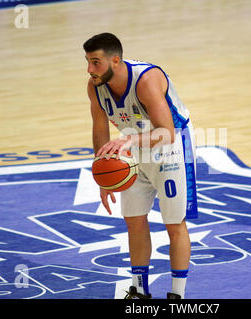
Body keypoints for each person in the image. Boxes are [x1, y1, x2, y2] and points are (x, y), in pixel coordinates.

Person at [83, 33, 198, 299]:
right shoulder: (95, 86)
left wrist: (130, 140)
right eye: (88, 62)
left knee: (174, 223)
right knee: (133, 221)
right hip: (132, 147)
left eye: (96, 62)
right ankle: (139, 291)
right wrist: (103, 175)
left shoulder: (146, 80)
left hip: (172, 148)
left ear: (116, 60)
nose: (90, 70)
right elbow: (99, 130)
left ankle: (177, 296)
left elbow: (167, 132)